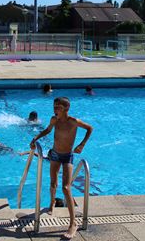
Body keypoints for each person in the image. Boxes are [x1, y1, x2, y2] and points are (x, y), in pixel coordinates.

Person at [30, 97, 93, 240]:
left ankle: (73, 224)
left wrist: (82, 144)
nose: (55, 109)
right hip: (55, 154)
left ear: (66, 108)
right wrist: (36, 138)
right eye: (54, 106)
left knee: (66, 188)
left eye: (58, 106)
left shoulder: (73, 121)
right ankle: (52, 203)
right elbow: (47, 130)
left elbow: (90, 128)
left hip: (67, 156)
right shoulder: (54, 120)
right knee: (53, 183)